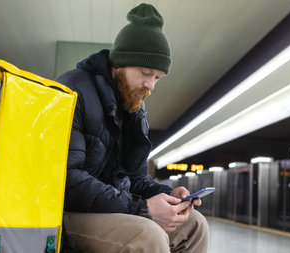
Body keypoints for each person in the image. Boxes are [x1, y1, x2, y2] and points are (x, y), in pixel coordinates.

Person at [55, 3, 208, 253]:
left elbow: (135, 178)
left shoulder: (134, 106)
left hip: (113, 207)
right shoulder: (73, 92)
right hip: (68, 211)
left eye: (158, 77)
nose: (151, 86)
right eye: (145, 73)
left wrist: (169, 195)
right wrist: (143, 209)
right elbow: (66, 180)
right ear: (119, 64)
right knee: (147, 236)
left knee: (194, 225)